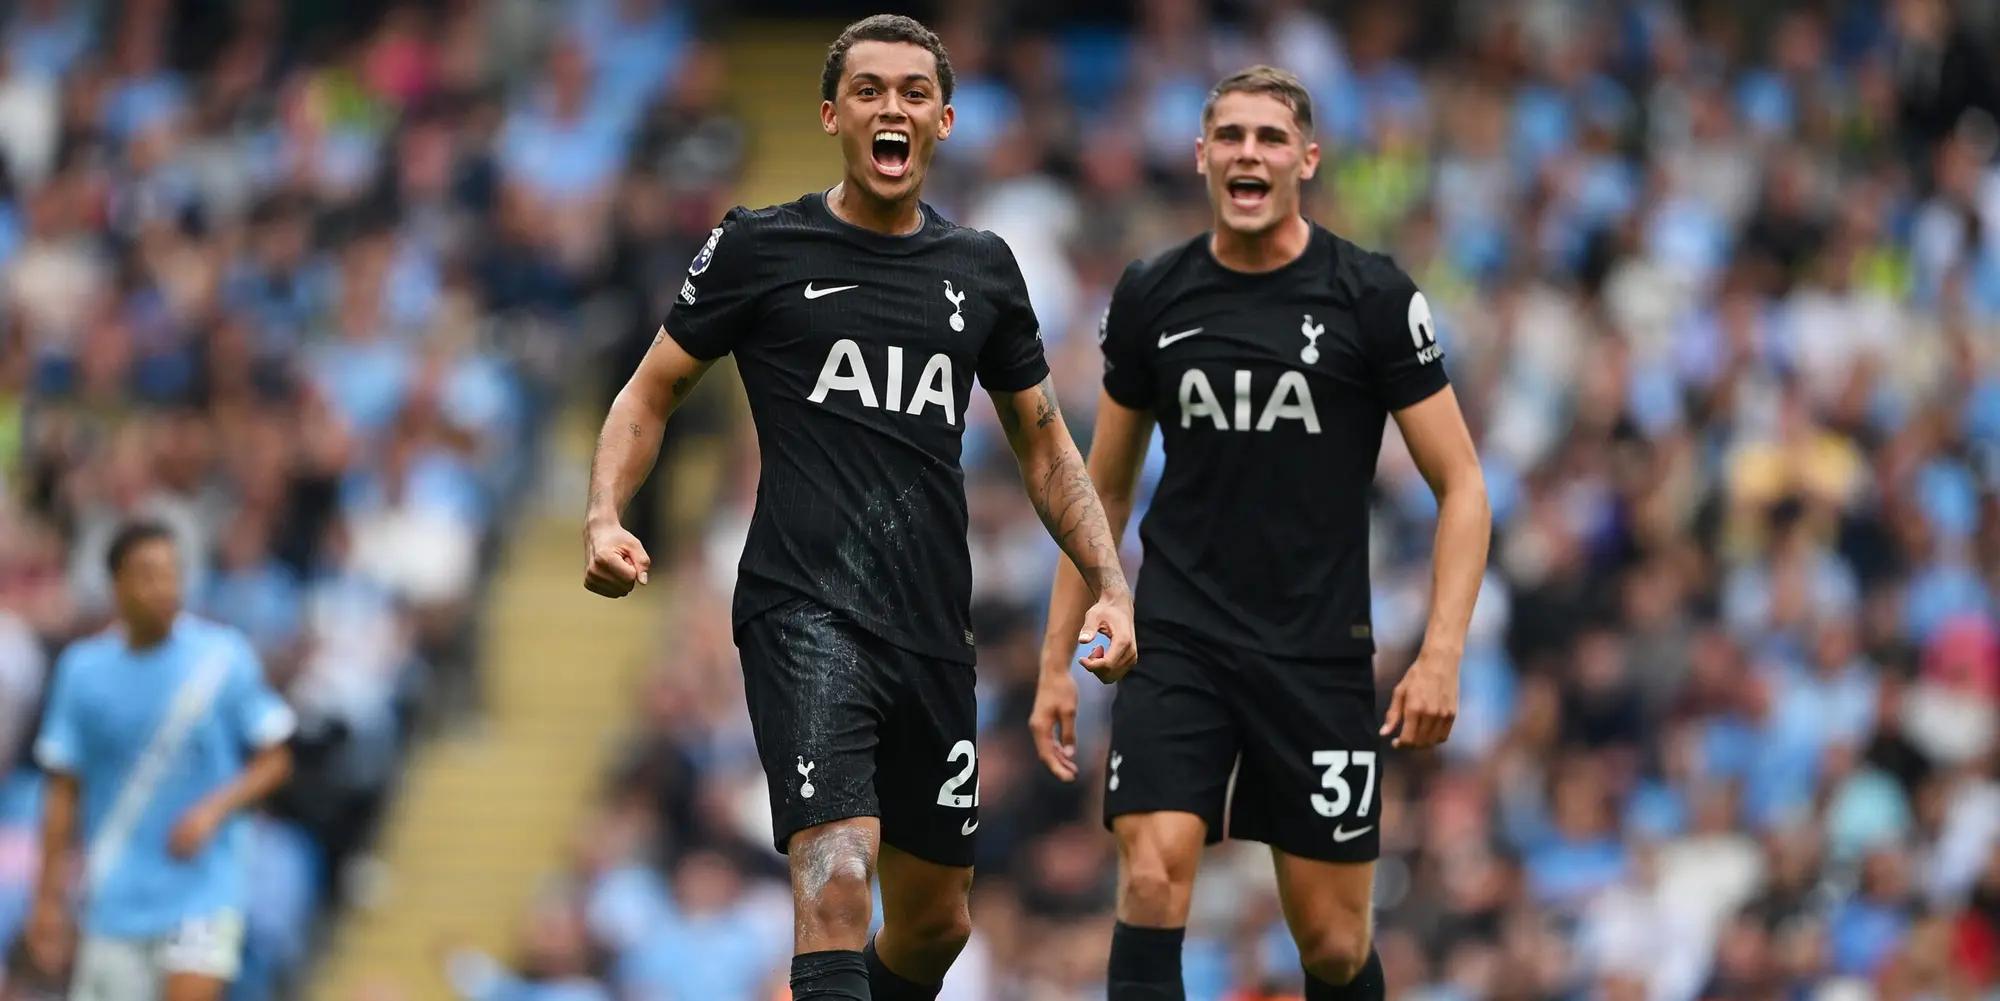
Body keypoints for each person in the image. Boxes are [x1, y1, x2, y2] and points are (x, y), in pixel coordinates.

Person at [580, 15, 1136, 1001]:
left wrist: (1108, 580)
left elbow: (1045, 443)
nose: (892, 107)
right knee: (837, 876)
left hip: (931, 625)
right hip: (803, 610)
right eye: (869, 89)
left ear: (944, 120)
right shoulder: (759, 245)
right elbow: (649, 391)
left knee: (934, 922)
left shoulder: (982, 269)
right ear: (831, 114)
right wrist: (604, 514)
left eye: (914, 92)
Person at [1031, 67, 1490, 1001]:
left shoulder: (1370, 295)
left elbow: (1464, 486)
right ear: (1202, 155)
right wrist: (1054, 661)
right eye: (1232, 136)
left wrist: (1441, 655)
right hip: (1178, 638)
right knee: (1152, 873)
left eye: (1271, 137)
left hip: (1315, 650)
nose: (1250, 153)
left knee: (1333, 941)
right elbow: (1100, 490)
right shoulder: (1153, 293)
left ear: (1307, 160)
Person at [28, 522, 296, 1001]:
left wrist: (213, 810)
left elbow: (275, 759)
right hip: (116, 894)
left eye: (172, 573)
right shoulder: (82, 671)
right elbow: (63, 790)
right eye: (148, 575)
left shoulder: (222, 658)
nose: (164, 588)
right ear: (117, 585)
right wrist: (47, 901)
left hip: (203, 889)